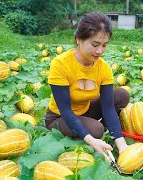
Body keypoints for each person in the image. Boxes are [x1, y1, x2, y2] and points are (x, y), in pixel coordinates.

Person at [45, 12, 130, 160]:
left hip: (84, 111)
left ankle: (99, 129)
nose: (99, 51)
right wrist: (90, 139)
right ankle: (92, 131)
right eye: (95, 44)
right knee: (96, 130)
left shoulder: (103, 68)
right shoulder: (60, 64)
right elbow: (65, 110)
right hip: (59, 117)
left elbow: (108, 108)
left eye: (104, 45)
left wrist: (122, 145)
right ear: (79, 39)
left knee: (122, 95)